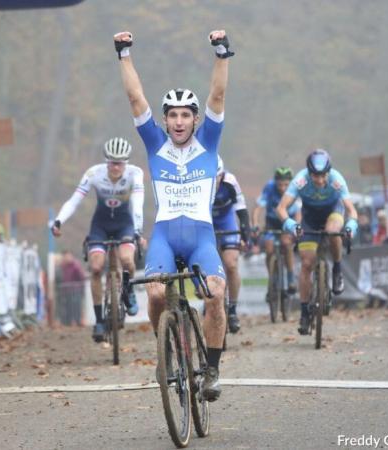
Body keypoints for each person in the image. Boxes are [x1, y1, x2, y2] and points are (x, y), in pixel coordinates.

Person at [114, 28, 233, 401]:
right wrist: (124, 54)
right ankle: (168, 351)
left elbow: (217, 94)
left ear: (195, 120)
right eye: (173, 116)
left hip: (200, 236)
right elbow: (135, 98)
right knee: (154, 296)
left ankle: (211, 368)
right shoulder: (154, 143)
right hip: (165, 233)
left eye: (185, 115)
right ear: (164, 121)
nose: (179, 122)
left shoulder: (208, 141)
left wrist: (220, 53)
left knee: (215, 294)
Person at [51, 137, 145, 342]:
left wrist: (138, 231)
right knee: (95, 268)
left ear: (126, 162)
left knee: (127, 260)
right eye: (112, 162)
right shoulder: (94, 173)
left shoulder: (134, 174)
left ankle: (128, 291)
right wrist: (58, 221)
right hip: (100, 226)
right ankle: (100, 319)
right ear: (106, 161)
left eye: (120, 162)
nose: (116, 166)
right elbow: (75, 200)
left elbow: (138, 203)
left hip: (124, 224)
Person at [276, 149, 359, 335]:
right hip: (310, 217)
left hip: (333, 212)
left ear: (329, 172)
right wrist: (291, 224)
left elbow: (351, 210)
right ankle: (305, 313)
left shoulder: (337, 179)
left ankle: (337, 269)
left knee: (332, 232)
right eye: (315, 175)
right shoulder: (300, 180)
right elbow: (281, 208)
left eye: (323, 176)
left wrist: (351, 227)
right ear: (309, 172)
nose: (320, 180)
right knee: (306, 264)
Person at [212, 155, 251, 334]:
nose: (216, 181)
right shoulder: (201, 182)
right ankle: (210, 300)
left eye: (219, 177)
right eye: (213, 178)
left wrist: (245, 235)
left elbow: (242, 211)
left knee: (231, 265)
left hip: (227, 221)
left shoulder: (230, 181)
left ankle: (233, 309)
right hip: (207, 222)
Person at [252, 167, 301, 296]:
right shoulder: (269, 187)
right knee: (269, 247)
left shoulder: (295, 189)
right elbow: (258, 208)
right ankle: (272, 278)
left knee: (286, 244)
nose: (283, 188)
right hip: (272, 221)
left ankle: (290, 278)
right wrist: (255, 224)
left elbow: (298, 212)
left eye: (286, 185)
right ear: (275, 182)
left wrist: (297, 227)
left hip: (287, 222)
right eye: (280, 184)